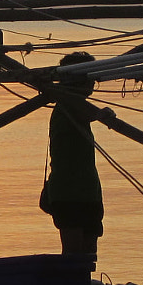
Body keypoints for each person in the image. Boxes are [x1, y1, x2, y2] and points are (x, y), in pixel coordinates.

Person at [39, 52, 103, 262]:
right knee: (74, 255)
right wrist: (104, 114)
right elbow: (89, 112)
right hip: (69, 192)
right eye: (88, 77)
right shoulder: (67, 106)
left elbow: (87, 112)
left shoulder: (74, 105)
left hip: (88, 190)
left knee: (89, 253)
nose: (92, 83)